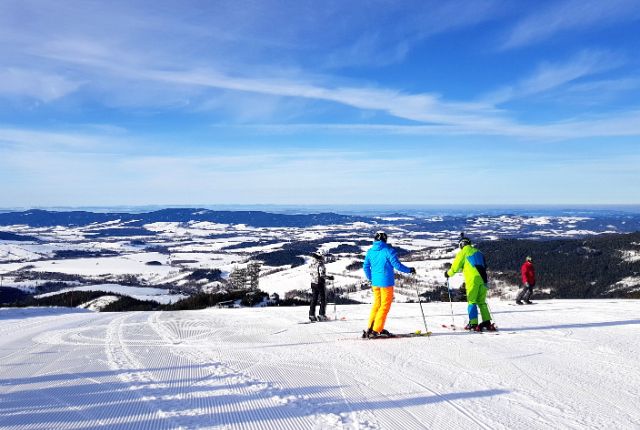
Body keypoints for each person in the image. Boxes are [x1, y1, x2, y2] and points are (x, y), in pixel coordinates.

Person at [363, 231, 416, 338]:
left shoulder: (370, 251)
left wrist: (371, 278)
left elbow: (365, 267)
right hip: (386, 283)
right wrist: (409, 270)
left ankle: (370, 328)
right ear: (385, 240)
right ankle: (376, 330)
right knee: (384, 306)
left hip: (375, 283)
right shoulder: (388, 251)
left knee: (377, 305)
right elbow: (397, 266)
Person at [445, 235, 496, 331]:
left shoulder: (463, 252)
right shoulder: (479, 252)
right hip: (483, 279)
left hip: (472, 280)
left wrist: (448, 274)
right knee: (481, 302)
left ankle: (473, 323)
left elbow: (455, 268)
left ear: (461, 245)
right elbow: (484, 265)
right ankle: (487, 322)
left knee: (472, 301)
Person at [309, 250, 333, 321]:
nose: (324, 258)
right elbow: (322, 275)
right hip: (319, 283)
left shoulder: (312, 263)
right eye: (323, 256)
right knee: (323, 299)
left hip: (313, 283)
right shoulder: (320, 264)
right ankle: (321, 315)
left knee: (314, 299)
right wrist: (329, 277)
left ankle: (311, 315)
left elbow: (311, 273)